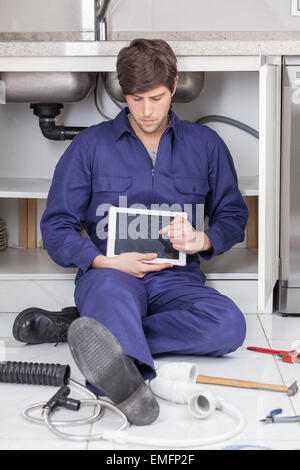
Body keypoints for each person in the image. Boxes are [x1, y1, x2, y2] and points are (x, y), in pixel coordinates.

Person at [14, 39, 249, 425]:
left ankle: (96, 335)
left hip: (178, 279)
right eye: (136, 99)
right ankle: (129, 383)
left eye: (156, 98)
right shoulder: (90, 146)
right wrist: (103, 260)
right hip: (111, 275)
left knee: (229, 325)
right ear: (124, 94)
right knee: (109, 295)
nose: (146, 111)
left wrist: (203, 239)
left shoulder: (207, 146)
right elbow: (56, 228)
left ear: (173, 86)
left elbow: (233, 216)